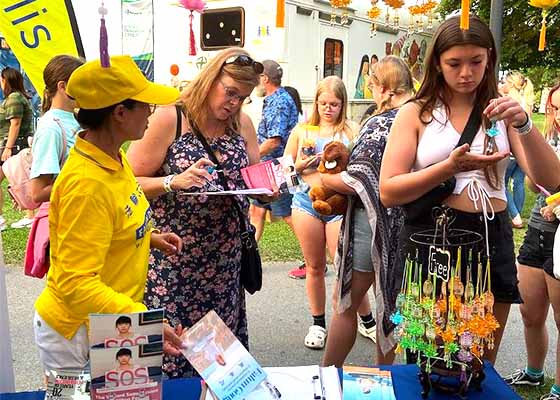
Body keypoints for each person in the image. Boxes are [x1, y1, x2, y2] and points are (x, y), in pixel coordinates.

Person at [379, 15, 560, 365]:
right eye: (454, 63)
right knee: (430, 357)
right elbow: (389, 190)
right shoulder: (417, 113)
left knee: (479, 363)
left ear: (489, 59)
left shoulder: (502, 111)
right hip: (435, 237)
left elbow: (551, 180)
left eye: (476, 61)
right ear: (437, 63)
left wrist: (522, 123)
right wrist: (448, 168)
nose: (466, 73)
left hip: (493, 236)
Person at [33, 55, 185, 374]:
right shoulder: (85, 184)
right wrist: (145, 322)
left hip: (114, 324)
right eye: (146, 105)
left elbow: (113, 221)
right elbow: (77, 283)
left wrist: (148, 237)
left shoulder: (113, 156)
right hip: (76, 335)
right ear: (119, 113)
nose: (151, 112)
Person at [127, 48, 262, 378]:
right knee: (176, 353)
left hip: (225, 264)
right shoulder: (170, 119)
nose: (233, 103)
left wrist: (269, 188)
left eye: (242, 98)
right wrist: (174, 181)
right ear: (210, 79)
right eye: (229, 92)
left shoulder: (241, 123)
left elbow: (255, 175)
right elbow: (127, 184)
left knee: (220, 364)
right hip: (175, 260)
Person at [322, 56, 413, 367]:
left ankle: (327, 376)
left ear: (385, 88)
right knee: (390, 305)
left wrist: (323, 178)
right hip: (408, 227)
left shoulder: (380, 122)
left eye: (373, 86)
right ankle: (384, 378)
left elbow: (358, 179)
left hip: (371, 226)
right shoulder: (424, 117)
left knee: (345, 305)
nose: (372, 93)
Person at [284, 75, 376, 349]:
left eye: (334, 104)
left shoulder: (351, 130)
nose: (328, 109)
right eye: (323, 103)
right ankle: (318, 323)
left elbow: (362, 167)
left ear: (343, 104)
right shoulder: (302, 130)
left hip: (340, 207)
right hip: (305, 202)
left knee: (346, 265)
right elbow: (284, 171)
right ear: (316, 102)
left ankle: (367, 320)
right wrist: (300, 166)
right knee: (314, 266)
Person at [504, 83, 560, 400]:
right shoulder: (547, 137)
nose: (557, 114)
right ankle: (534, 372)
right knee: (530, 312)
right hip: (539, 223)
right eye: (553, 108)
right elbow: (534, 181)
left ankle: (558, 389)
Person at [249, 60, 298, 242]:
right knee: (256, 210)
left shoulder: (279, 102)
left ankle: (313, 259)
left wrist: (251, 157)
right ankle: (248, 259)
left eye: (258, 77)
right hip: (267, 167)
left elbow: (274, 141)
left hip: (280, 167)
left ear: (265, 78)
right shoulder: (274, 99)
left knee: (288, 213)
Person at [29, 55, 83, 204]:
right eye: (82, 84)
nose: (88, 90)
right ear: (63, 87)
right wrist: (88, 183)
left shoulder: (77, 118)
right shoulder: (51, 128)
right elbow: (38, 192)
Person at [0, 67, 34, 229]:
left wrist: (8, 147)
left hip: (14, 145)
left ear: (6, 80)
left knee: (22, 179)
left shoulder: (14, 98)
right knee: (24, 179)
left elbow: (15, 123)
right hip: (16, 144)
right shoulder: (19, 97)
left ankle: (2, 218)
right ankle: (30, 215)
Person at [503, 71, 532, 228]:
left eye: (506, 82)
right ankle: (518, 213)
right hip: (525, 147)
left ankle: (515, 216)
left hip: (512, 149)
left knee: (502, 184)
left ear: (511, 84)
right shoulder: (526, 99)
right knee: (519, 182)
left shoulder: (508, 101)